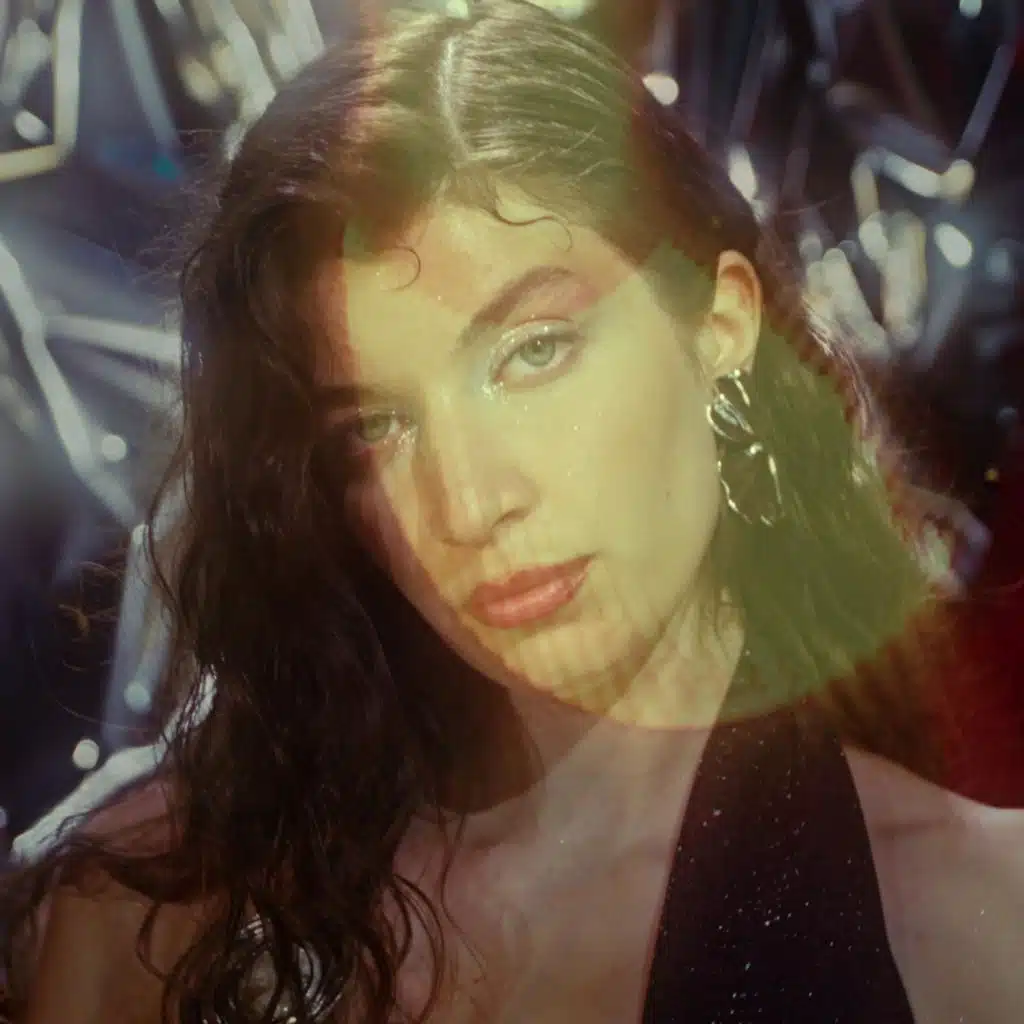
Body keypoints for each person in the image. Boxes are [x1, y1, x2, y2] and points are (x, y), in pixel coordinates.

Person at [2, 2, 1022, 1021]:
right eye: (377, 426)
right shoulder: (151, 918)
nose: (470, 502)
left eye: (534, 353)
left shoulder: (978, 930)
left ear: (719, 325)